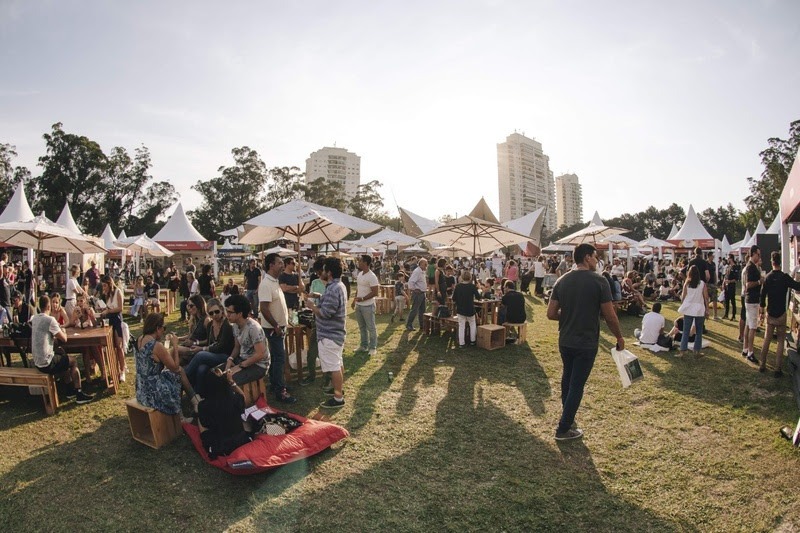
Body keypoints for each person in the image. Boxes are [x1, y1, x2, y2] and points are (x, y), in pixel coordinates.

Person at [546, 243, 624, 441]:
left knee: (568, 379)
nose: (597, 260)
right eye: (595, 256)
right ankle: (563, 428)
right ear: (587, 257)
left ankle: (567, 416)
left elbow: (551, 313)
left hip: (565, 339)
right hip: (586, 341)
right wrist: (619, 337)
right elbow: (610, 316)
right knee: (576, 384)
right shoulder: (599, 281)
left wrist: (569, 313)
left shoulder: (562, 281)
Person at [32, 294, 94, 404]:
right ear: (48, 307)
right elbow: (64, 339)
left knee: (61, 353)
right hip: (46, 363)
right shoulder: (50, 320)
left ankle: (69, 389)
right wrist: (64, 332)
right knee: (73, 361)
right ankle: (79, 393)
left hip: (37, 361)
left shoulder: (35, 318)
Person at [305, 256, 348, 409]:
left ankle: (338, 398)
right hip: (336, 333)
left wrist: (312, 306)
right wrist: (318, 296)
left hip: (329, 334)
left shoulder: (333, 288)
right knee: (338, 362)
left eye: (323, 269)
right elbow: (331, 303)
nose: (321, 272)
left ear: (329, 272)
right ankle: (338, 389)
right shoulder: (339, 285)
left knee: (334, 366)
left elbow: (326, 313)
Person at [135, 313, 195, 416]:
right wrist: (175, 346)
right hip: (153, 393)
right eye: (164, 328)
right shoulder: (156, 346)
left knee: (173, 374)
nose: (163, 331)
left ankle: (192, 403)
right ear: (157, 328)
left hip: (141, 390)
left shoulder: (139, 339)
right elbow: (175, 368)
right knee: (179, 372)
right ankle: (183, 412)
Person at [258, 253, 297, 403]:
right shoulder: (266, 284)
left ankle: (276, 385)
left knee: (277, 358)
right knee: (279, 358)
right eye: (280, 263)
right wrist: (276, 325)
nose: (282, 265)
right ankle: (281, 391)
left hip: (279, 327)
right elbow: (264, 308)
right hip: (274, 329)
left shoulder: (274, 281)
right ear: (271, 265)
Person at [758, 252, 800, 377]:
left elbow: (762, 295)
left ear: (772, 262)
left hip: (770, 313)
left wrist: (762, 310)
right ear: (780, 262)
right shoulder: (785, 277)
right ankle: (778, 368)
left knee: (767, 339)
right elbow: (797, 285)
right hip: (781, 313)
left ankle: (762, 364)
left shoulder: (768, 277)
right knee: (781, 341)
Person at [184, 298, 235, 396]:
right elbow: (208, 342)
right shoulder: (210, 325)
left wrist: (201, 349)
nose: (214, 315)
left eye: (216, 312)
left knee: (200, 355)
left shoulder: (227, 325)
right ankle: (198, 394)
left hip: (226, 356)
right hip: (213, 355)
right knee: (201, 369)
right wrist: (197, 344)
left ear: (221, 309)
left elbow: (221, 346)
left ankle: (183, 377)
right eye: (211, 313)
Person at [197, 368, 251, 459]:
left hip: (221, 447)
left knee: (199, 417)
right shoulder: (235, 399)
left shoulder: (203, 405)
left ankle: (208, 442)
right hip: (241, 441)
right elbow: (243, 397)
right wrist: (231, 382)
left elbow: (205, 424)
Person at [224, 294, 269, 388]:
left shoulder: (253, 328)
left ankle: (237, 401)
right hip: (243, 360)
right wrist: (230, 359)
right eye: (226, 311)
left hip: (259, 365)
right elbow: (237, 347)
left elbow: (261, 354)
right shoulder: (235, 325)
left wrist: (240, 366)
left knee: (229, 380)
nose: (227, 315)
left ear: (240, 314)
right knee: (216, 373)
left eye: (230, 312)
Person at [98, 275, 127, 382]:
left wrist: (108, 311)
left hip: (117, 319)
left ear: (110, 284)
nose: (103, 288)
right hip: (109, 320)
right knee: (112, 347)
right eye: (103, 286)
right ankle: (115, 371)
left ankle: (122, 370)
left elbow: (120, 308)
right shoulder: (106, 294)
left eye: (105, 285)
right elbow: (108, 307)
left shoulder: (118, 292)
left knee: (119, 346)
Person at [677, 265, 709, 357]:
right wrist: (707, 309)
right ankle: (697, 351)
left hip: (689, 308)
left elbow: (683, 296)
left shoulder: (687, 283)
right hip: (699, 308)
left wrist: (684, 305)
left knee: (686, 331)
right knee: (699, 332)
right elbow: (706, 297)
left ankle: (682, 351)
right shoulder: (702, 283)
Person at [352, 254, 379, 356]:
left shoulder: (372, 276)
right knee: (362, 327)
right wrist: (354, 300)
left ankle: (373, 347)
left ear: (366, 263)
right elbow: (358, 288)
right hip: (359, 305)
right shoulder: (360, 274)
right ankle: (364, 346)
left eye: (360, 261)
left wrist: (363, 299)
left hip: (368, 305)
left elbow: (375, 292)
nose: (359, 262)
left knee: (371, 327)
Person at [742, 246, 763, 363]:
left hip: (750, 300)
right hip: (752, 300)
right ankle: (750, 352)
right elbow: (748, 284)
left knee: (748, 325)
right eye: (758, 255)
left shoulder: (751, 266)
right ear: (754, 254)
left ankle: (745, 349)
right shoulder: (751, 267)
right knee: (753, 327)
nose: (759, 257)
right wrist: (760, 281)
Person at [452, 271, 482, 348]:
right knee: (472, 324)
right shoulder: (472, 286)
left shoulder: (458, 286)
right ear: (470, 277)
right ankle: (473, 341)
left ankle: (462, 343)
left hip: (460, 309)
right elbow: (478, 297)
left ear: (462, 277)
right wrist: (479, 288)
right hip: (470, 309)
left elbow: (453, 298)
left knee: (461, 326)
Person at [405, 258, 428, 332]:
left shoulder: (421, 271)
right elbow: (410, 282)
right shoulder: (417, 271)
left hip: (422, 293)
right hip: (418, 294)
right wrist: (414, 289)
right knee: (414, 310)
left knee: (422, 311)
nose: (426, 266)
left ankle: (422, 325)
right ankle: (409, 324)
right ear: (421, 264)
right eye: (425, 264)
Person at [722, 255, 739, 320]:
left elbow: (736, 279)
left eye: (728, 258)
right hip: (726, 286)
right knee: (726, 301)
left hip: (731, 286)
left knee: (732, 301)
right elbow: (725, 276)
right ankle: (726, 314)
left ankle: (733, 315)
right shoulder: (728, 267)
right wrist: (723, 283)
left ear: (731, 259)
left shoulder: (735, 267)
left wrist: (730, 281)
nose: (727, 260)